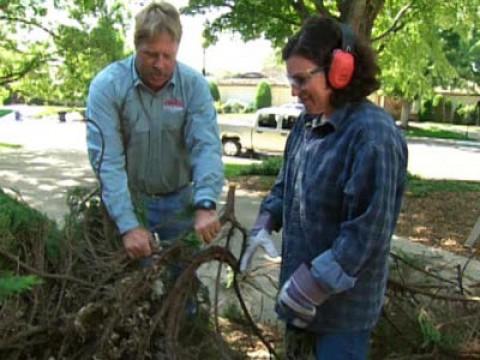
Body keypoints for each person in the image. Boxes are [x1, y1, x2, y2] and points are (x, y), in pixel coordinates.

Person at [240, 16, 408, 359]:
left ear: (340, 71)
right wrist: (265, 222)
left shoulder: (373, 136)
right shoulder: (306, 124)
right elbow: (286, 185)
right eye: (291, 80)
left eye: (302, 79)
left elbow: (366, 234)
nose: (294, 91)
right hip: (300, 306)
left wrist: (310, 285)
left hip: (342, 318)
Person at [85, 1, 223, 262]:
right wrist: (127, 224)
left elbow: (206, 146)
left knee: (182, 289)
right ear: (136, 47)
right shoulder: (107, 87)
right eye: (151, 54)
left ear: (177, 49)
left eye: (168, 56)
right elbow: (107, 163)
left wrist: (205, 203)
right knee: (132, 291)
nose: (160, 64)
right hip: (131, 200)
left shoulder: (193, 86)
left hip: (180, 203)